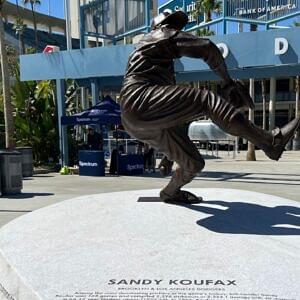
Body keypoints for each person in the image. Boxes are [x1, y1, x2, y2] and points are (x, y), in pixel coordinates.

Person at [119, 10, 300, 205]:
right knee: (206, 99)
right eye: (173, 26)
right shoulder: (157, 36)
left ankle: (170, 192)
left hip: (135, 119)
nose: (177, 31)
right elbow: (207, 47)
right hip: (138, 98)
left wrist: (169, 155)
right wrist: (227, 81)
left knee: (194, 163)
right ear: (162, 27)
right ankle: (271, 142)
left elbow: (175, 116)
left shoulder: (157, 64)